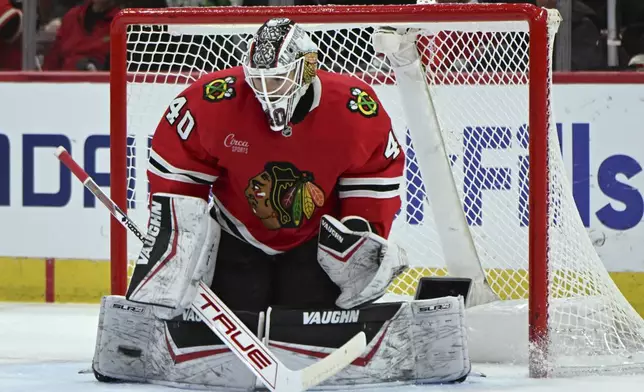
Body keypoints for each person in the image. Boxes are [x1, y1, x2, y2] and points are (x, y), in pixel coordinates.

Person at [92, 18, 470, 389]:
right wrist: (177, 239)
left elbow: (375, 176)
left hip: (314, 244)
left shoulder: (354, 109)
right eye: (256, 80)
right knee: (235, 317)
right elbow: (176, 171)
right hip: (236, 237)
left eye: (276, 79)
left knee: (308, 321)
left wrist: (358, 233)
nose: (264, 91)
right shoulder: (214, 100)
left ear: (307, 69)